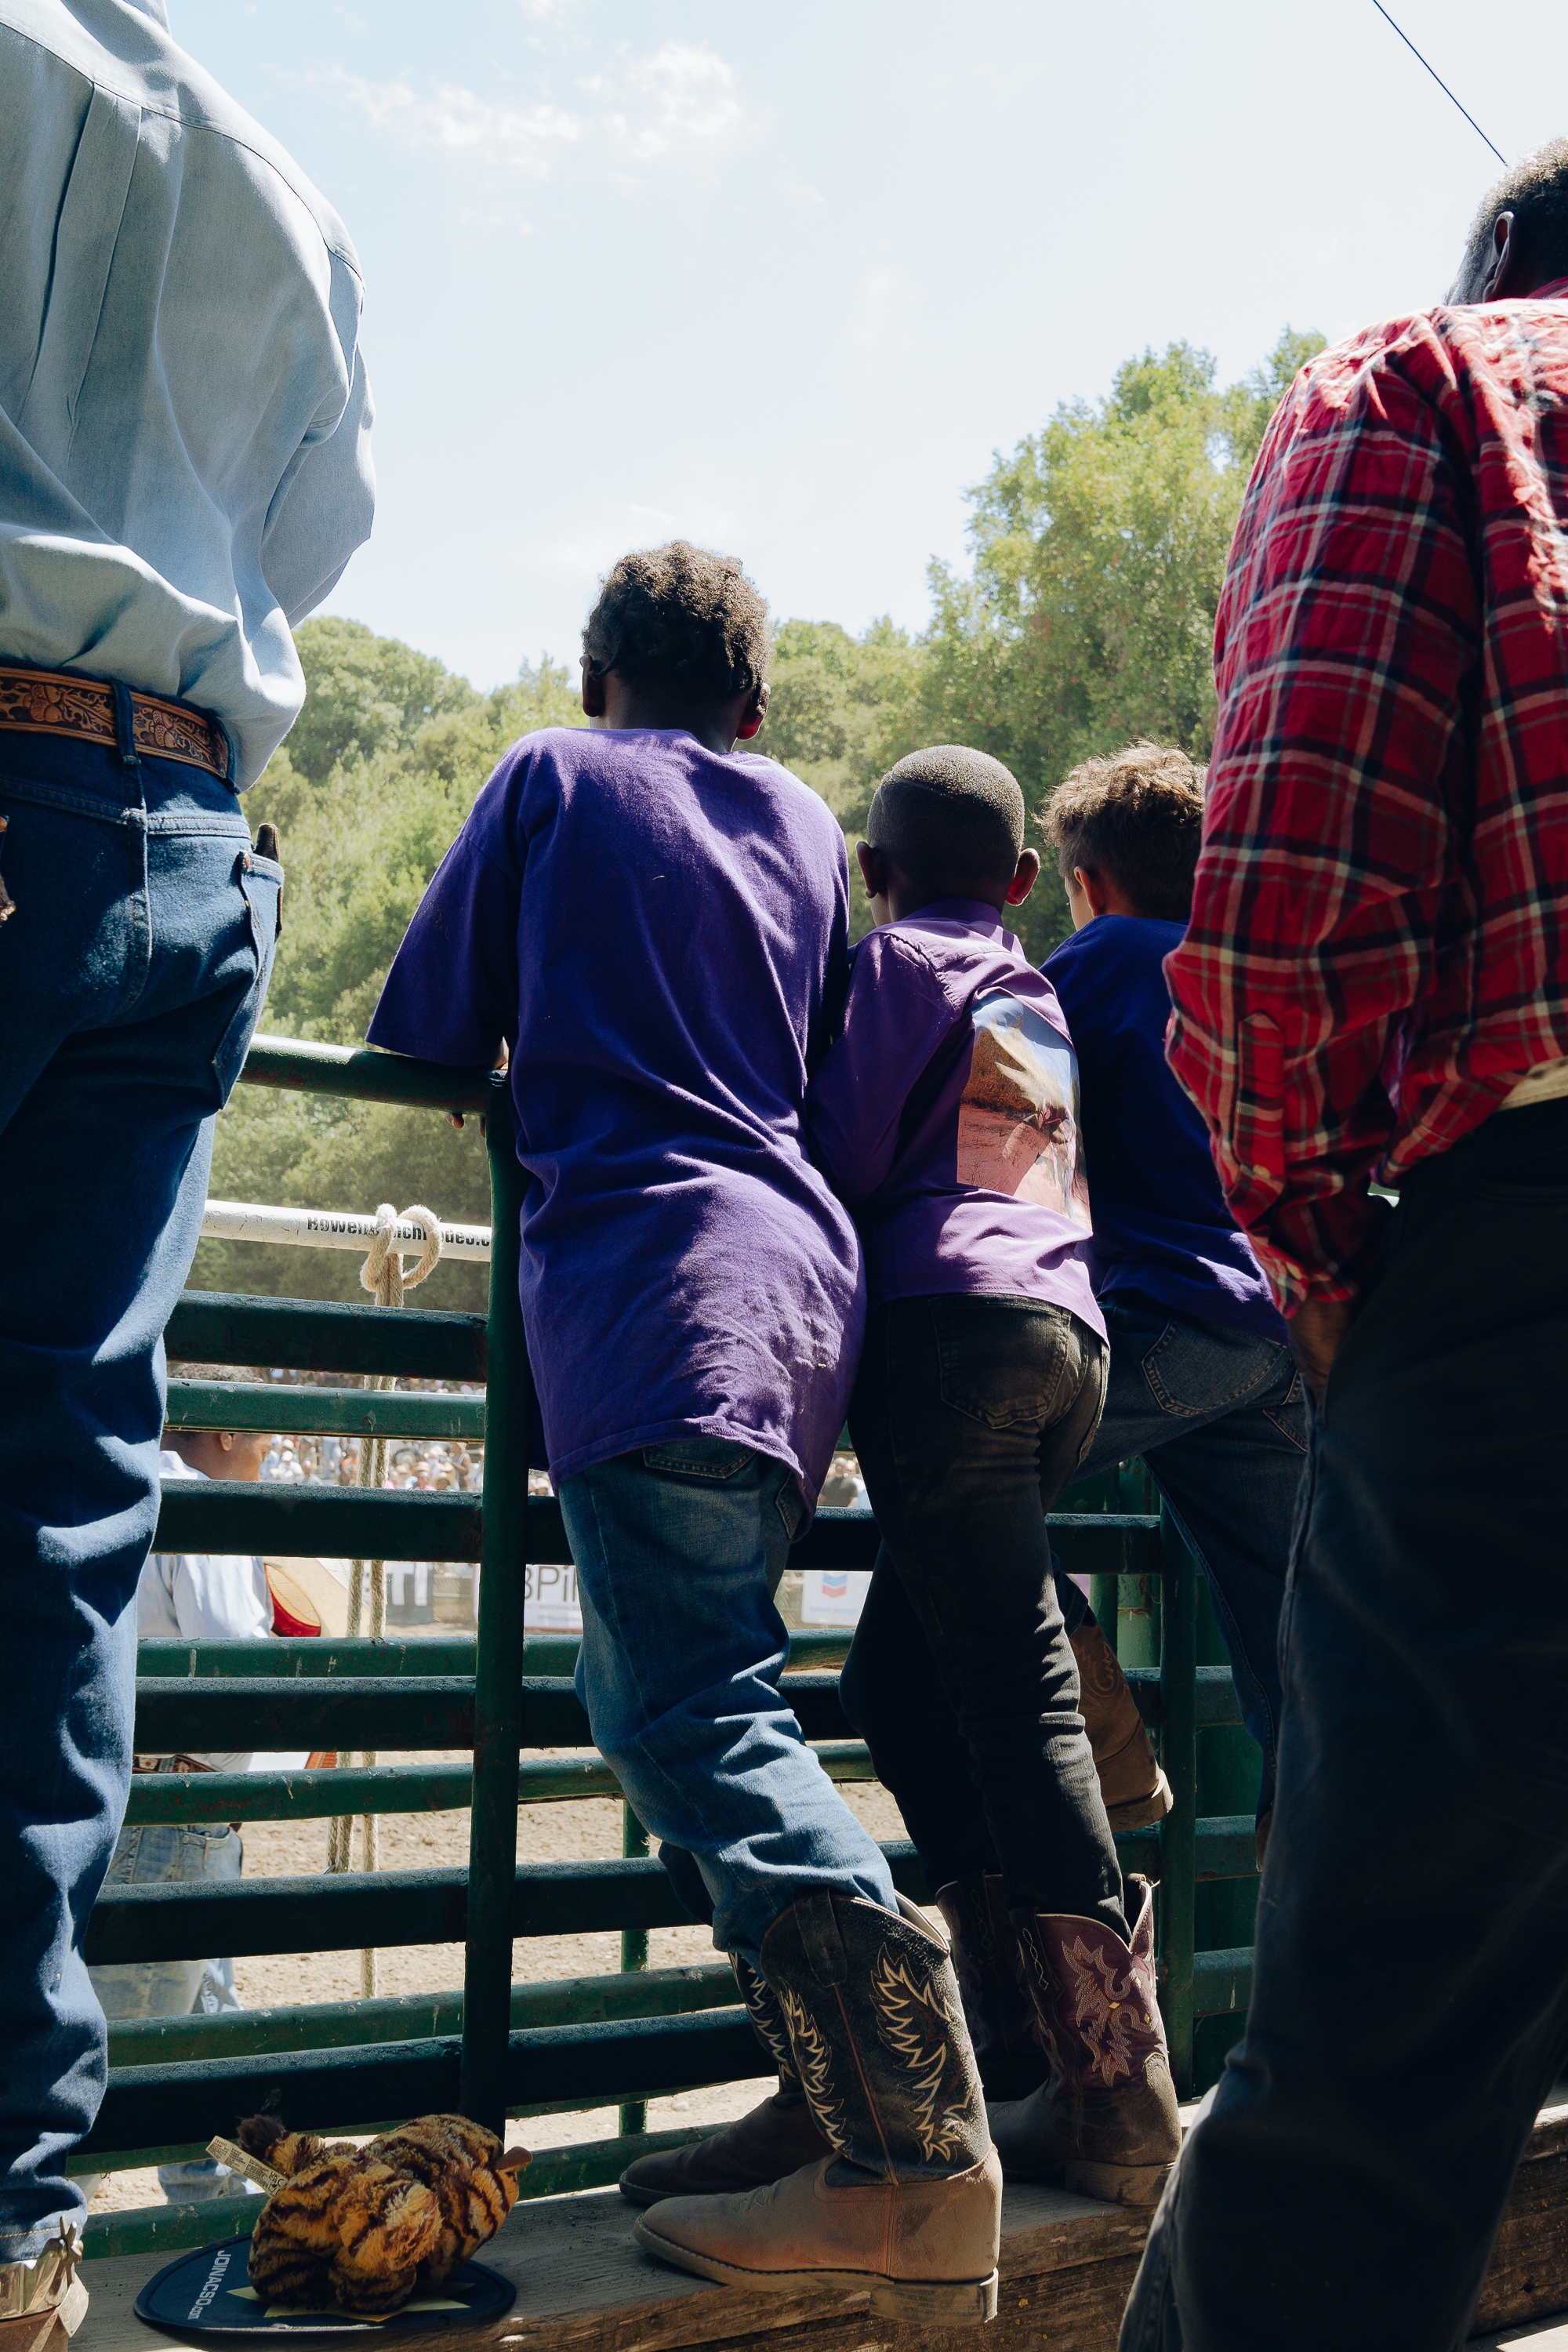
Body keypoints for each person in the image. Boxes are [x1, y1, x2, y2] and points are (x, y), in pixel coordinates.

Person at [366, 544, 1000, 2323]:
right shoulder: (803, 819)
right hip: (795, 1295)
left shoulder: (552, 778)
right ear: (749, 705)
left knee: (686, 1703)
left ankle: (914, 2145)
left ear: (595, 680)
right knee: (668, 1695)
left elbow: (421, 1024)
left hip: (650, 1283)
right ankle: (841, 2107)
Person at [1120, 143, 1568, 2352]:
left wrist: (1314, 1242)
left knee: (1374, 2063)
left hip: (1527, 1272)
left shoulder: (1430, 388)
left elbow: (1287, 885)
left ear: (1503, 261)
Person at [0, 0, 372, 2325]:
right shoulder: (279, 181)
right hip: (179, 825)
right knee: (56, 1501)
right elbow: (314, 531)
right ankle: (17, 2207)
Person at [811, 746, 1181, 2194]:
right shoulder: (1031, 990)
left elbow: (836, 1149)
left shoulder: (893, 962)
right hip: (1064, 1344)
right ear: (1024, 882)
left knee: (1018, 1692)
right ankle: (1024, 2049)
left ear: (873, 871)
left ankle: (1117, 2098)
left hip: (949, 1342)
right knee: (891, 1682)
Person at [1040, 743, 1304, 1860]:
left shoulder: (1084, 968)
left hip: (1167, 1321)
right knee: (1294, 1629)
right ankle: (1317, 1859)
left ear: (1089, 882)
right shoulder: (1245, 973)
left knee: (963, 1468)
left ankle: (1100, 1728)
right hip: (1279, 1328)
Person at [82, 1408, 283, 2211]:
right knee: (127, 2054)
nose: (277, 1446)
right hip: (182, 1802)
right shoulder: (199, 1505)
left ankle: (235, 2224)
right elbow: (235, 1657)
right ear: (228, 1433)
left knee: (204, 2046)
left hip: (140, 1791)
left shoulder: (123, 1487)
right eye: (268, 1430)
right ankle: (19, 2255)